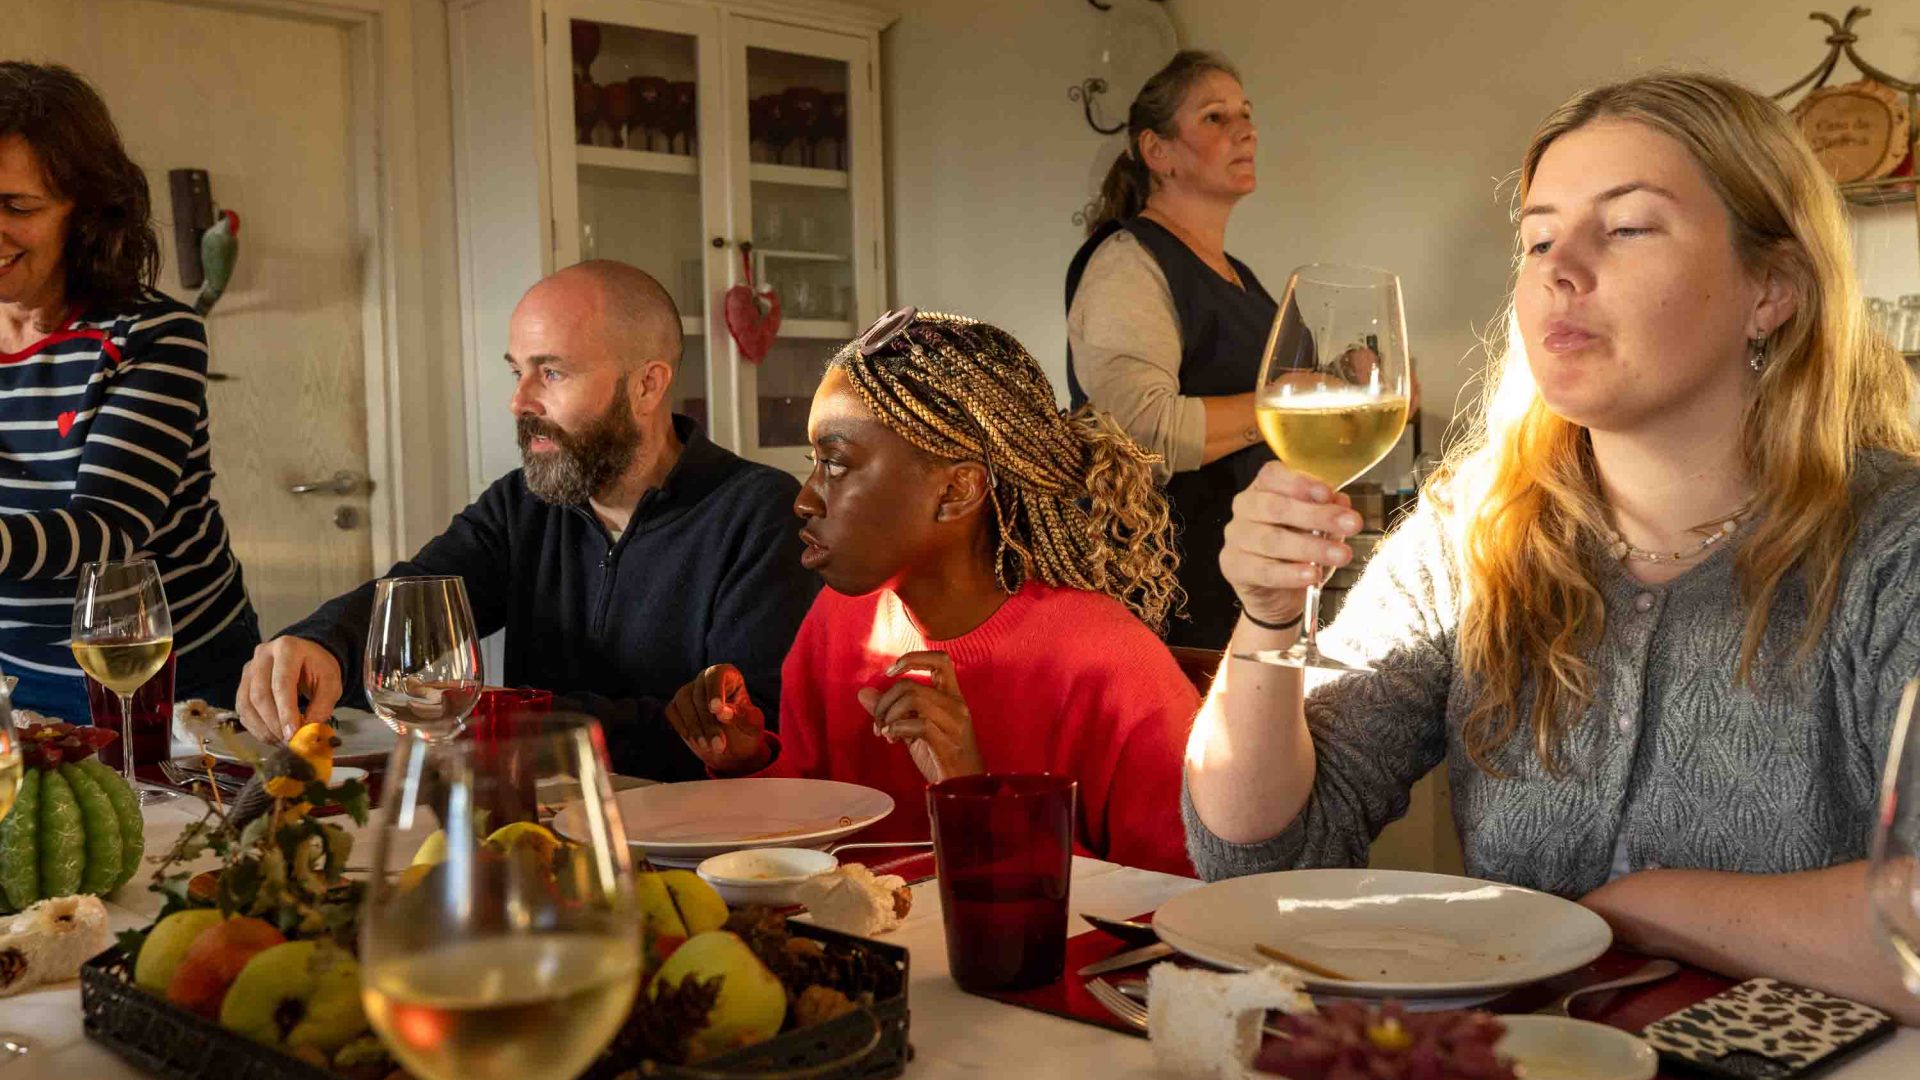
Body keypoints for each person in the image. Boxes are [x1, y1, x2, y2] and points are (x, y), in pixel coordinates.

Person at [1184, 72, 1920, 1022]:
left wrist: (1646, 910)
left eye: (1626, 227)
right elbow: (1263, 856)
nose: (1558, 269)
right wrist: (1269, 619)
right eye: (1537, 238)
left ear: (1770, 289)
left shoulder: (1894, 548)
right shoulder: (1471, 535)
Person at [235, 261, 819, 780]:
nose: (520, 402)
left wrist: (501, 716)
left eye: (553, 373)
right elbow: (418, 596)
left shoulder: (759, 514)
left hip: (697, 849)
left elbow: (747, 730)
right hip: (533, 831)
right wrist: (320, 644)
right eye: (517, 371)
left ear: (647, 385)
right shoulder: (524, 504)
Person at [666, 310, 1199, 876]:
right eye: (812, 463)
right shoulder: (839, 620)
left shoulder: (1113, 669)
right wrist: (748, 760)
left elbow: (1175, 903)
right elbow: (810, 826)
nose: (805, 500)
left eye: (837, 465)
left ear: (956, 491)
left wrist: (972, 791)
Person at [0, 62, 260, 721]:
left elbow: (108, 533)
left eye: (17, 206)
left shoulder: (152, 334)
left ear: (85, 214)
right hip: (13, 683)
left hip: (164, 678)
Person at [1065, 51, 1279, 650]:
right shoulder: (1128, 264)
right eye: (1215, 117)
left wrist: (1345, 380)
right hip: (1172, 596)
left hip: (1251, 582)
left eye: (1246, 114)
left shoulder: (1240, 275)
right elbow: (1143, 434)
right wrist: (1290, 404)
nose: (1245, 130)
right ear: (1157, 152)